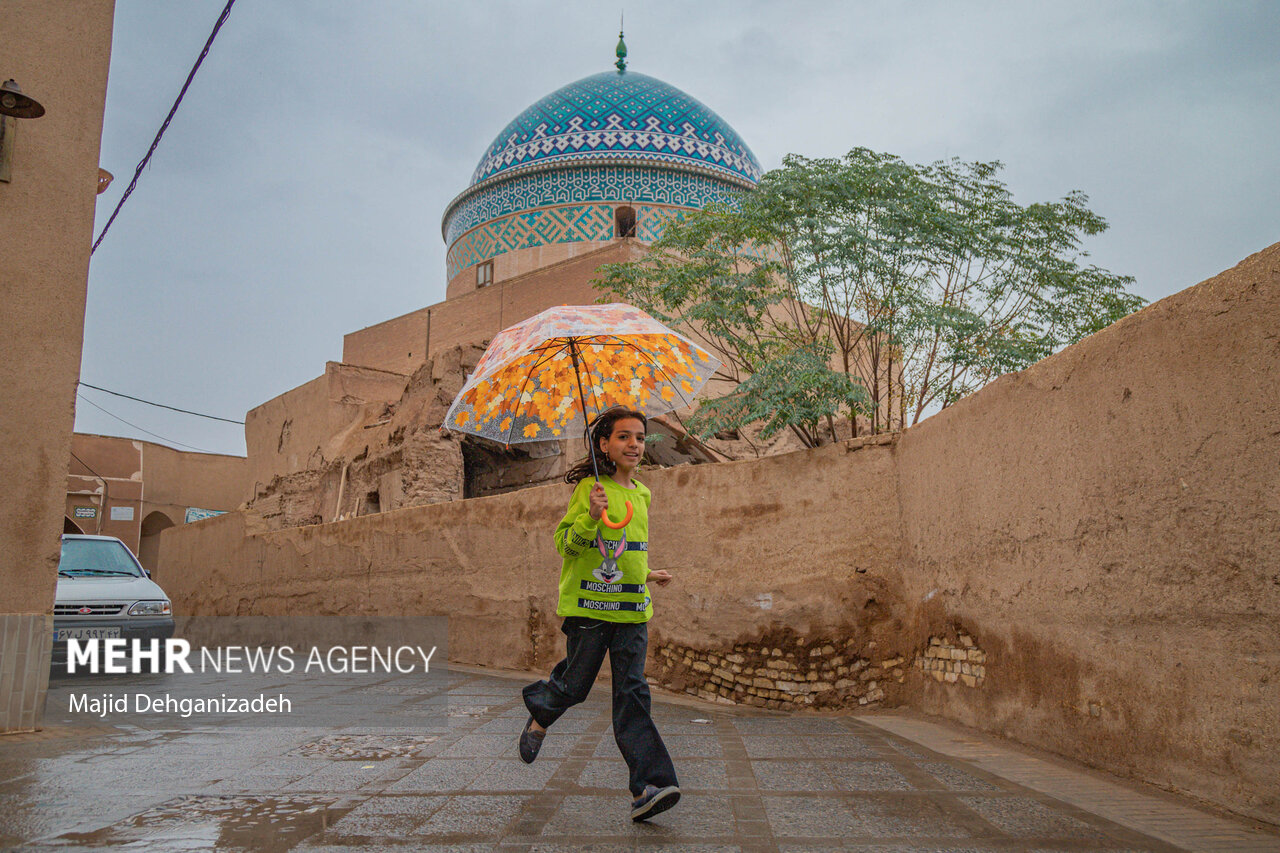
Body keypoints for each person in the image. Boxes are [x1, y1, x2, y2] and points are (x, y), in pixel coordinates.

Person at [518, 405, 680, 821]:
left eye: (640, 437)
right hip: (589, 608)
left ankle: (649, 785)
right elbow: (567, 547)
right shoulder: (590, 489)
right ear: (604, 444)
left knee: (633, 694)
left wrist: (647, 574)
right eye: (623, 436)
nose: (634, 444)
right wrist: (590, 515)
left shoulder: (642, 494)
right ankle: (541, 711)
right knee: (575, 686)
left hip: (631, 611)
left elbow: (628, 551)